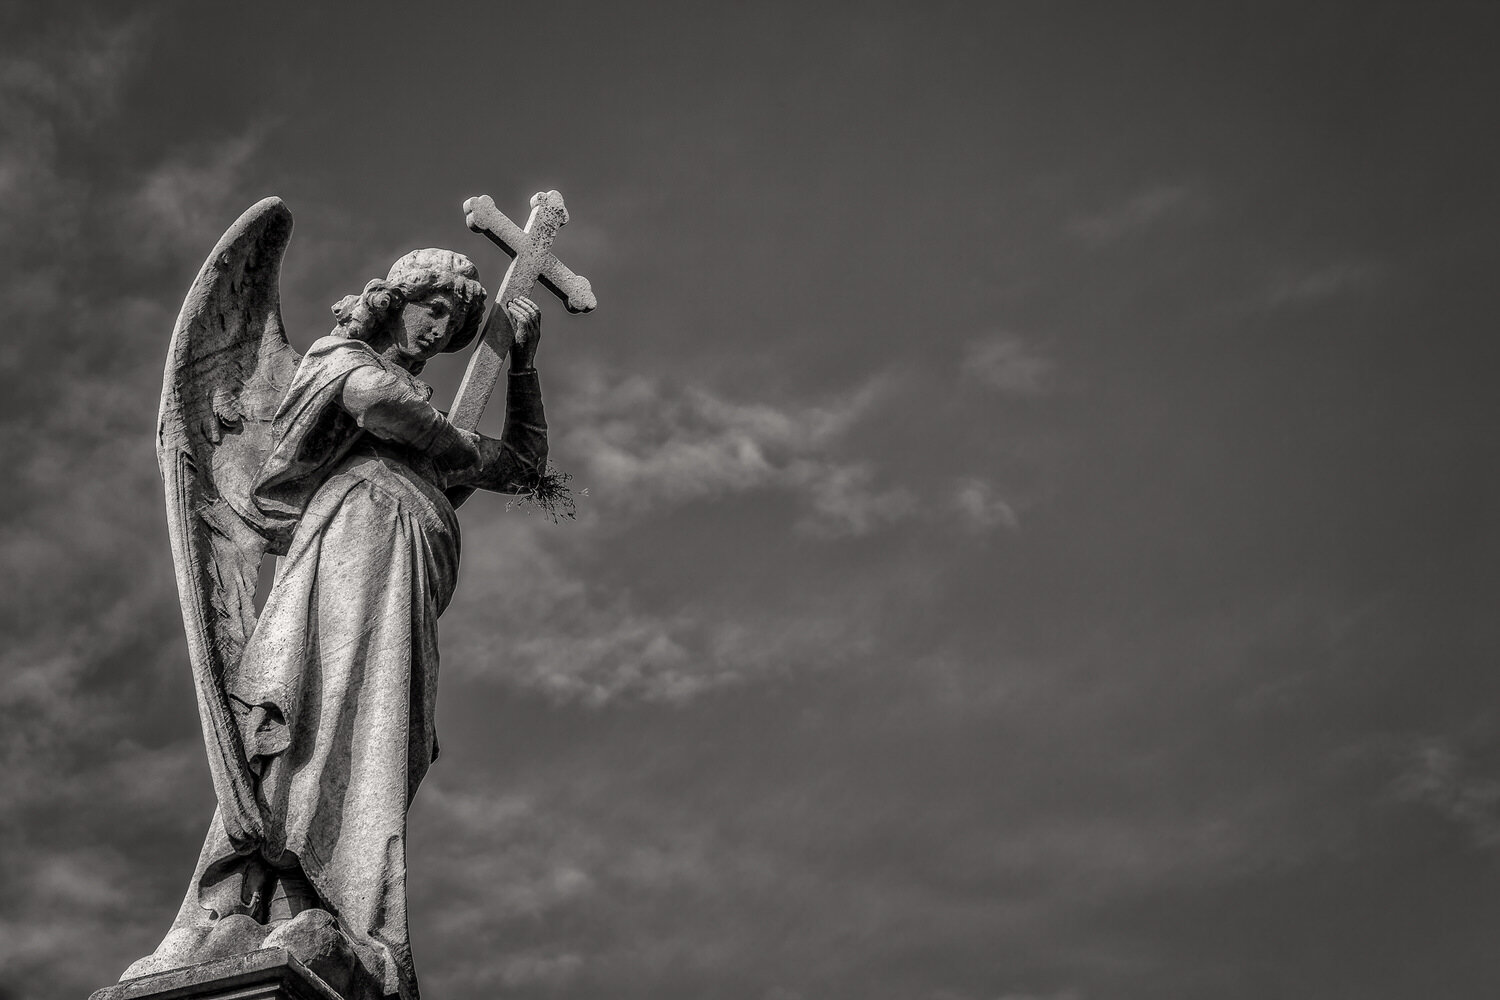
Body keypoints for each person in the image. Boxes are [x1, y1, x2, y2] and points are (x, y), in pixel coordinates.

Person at [126, 249, 546, 1000]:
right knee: (313, 714)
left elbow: (521, 465)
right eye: (433, 308)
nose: (440, 328)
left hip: (403, 584)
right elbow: (381, 405)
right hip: (343, 557)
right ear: (396, 300)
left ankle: (337, 908)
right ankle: (248, 896)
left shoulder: (425, 429)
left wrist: (521, 366)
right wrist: (451, 448)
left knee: (377, 737)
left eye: (454, 324)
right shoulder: (338, 359)